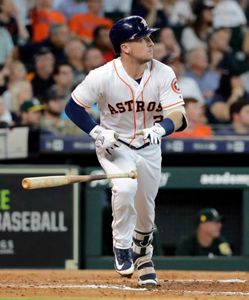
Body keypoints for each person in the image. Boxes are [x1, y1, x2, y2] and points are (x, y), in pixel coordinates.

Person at [65, 15, 187, 287]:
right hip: (114, 144)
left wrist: (162, 129)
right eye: (142, 39)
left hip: (149, 146)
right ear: (125, 47)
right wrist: (97, 131)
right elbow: (73, 107)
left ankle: (143, 257)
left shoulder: (164, 72)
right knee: (125, 188)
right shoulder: (102, 76)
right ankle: (121, 246)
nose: (150, 43)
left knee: (145, 211)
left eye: (150, 37)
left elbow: (177, 114)